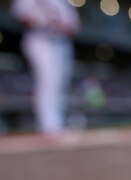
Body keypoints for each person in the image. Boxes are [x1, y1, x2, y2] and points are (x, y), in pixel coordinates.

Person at [12, 0, 80, 135]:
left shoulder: (61, 2)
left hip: (61, 42)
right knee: (48, 81)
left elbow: (75, 26)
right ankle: (49, 125)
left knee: (60, 83)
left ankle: (58, 122)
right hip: (40, 39)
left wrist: (61, 26)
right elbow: (21, 17)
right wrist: (43, 23)